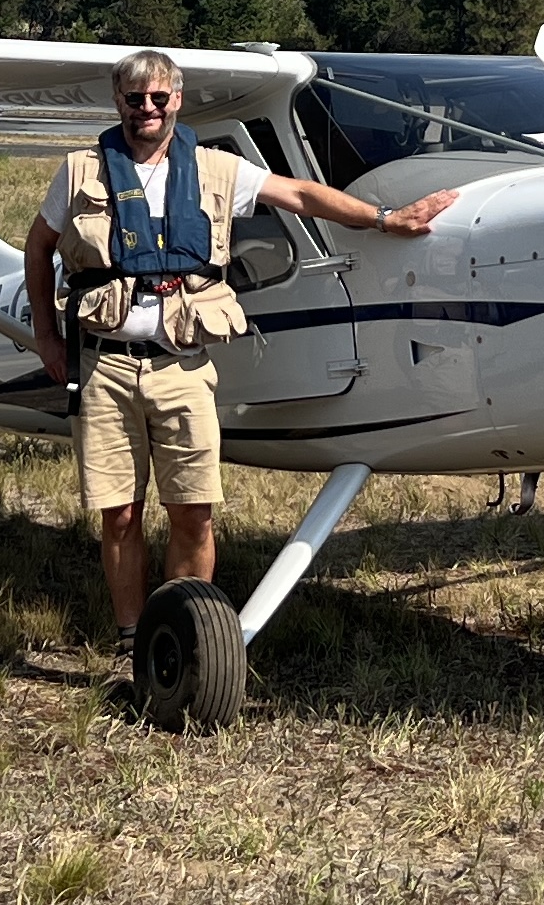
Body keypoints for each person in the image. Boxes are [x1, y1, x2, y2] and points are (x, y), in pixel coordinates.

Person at [23, 49, 458, 635]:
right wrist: (46, 337)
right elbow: (38, 247)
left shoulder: (216, 170)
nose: (147, 108)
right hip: (107, 368)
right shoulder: (81, 171)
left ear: (176, 99)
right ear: (117, 101)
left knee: (194, 513)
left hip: (182, 368)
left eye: (158, 97)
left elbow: (302, 195)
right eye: (134, 98)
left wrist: (384, 219)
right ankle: (132, 636)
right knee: (120, 515)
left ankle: (181, 632)